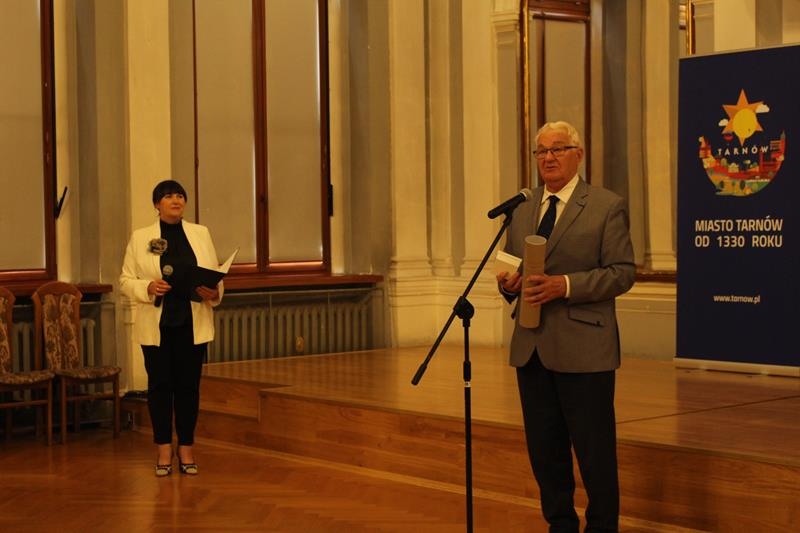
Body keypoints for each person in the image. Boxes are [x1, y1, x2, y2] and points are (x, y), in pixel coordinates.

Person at [496, 121, 635, 532]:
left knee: (594, 453)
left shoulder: (606, 206)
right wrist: (509, 284)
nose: (549, 158)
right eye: (541, 151)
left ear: (578, 154)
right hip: (531, 347)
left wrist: (566, 286)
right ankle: (560, 525)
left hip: (585, 348)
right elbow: (512, 264)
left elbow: (622, 272)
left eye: (558, 148)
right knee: (545, 453)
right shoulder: (523, 207)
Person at [120, 180, 223, 477]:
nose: (175, 200)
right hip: (157, 325)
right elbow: (125, 280)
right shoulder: (142, 237)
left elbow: (215, 274)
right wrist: (147, 287)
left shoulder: (200, 233)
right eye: (168, 196)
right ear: (157, 204)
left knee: (189, 388)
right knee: (160, 388)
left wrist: (214, 292)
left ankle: (186, 448)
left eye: (180, 196)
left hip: (192, 322)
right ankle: (163, 448)